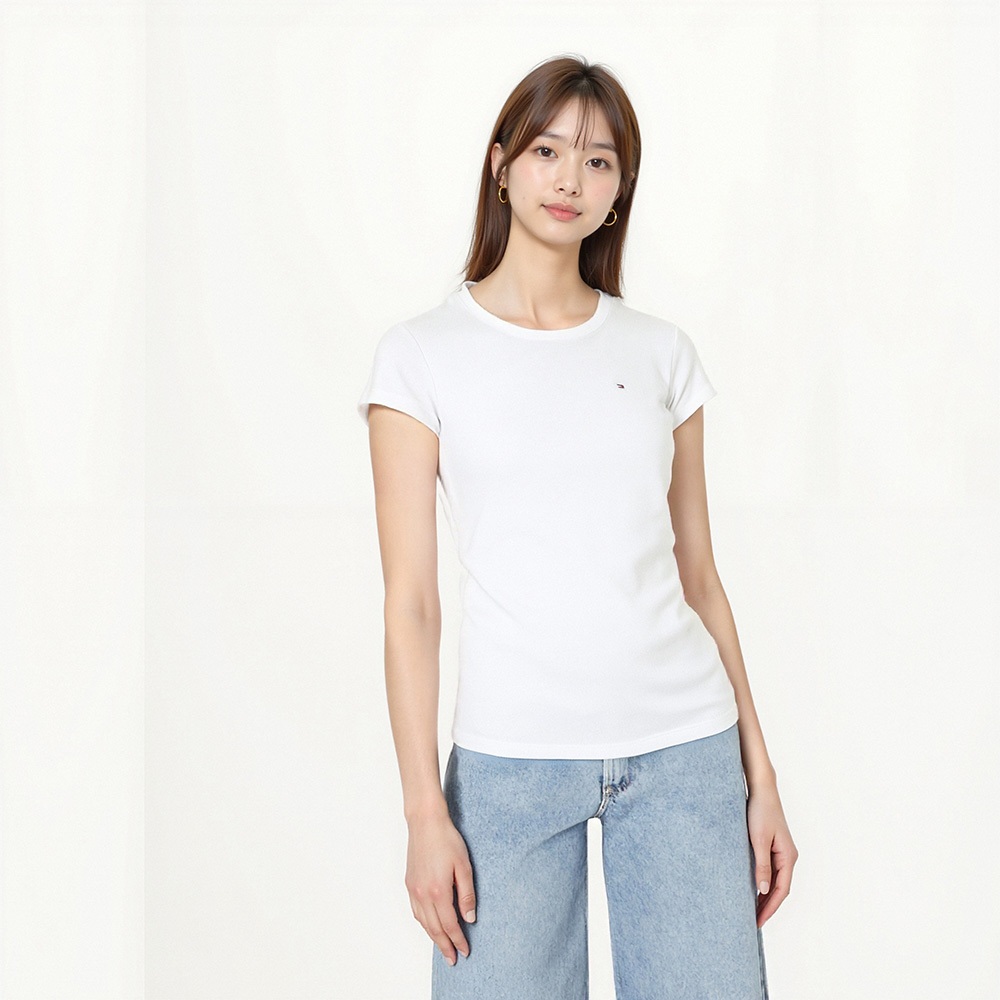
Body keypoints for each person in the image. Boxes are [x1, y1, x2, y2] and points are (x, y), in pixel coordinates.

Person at [357, 54, 798, 999]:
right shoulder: (420, 357)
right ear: (501, 164)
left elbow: (701, 580)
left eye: (599, 161)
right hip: (508, 769)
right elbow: (412, 606)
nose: (570, 179)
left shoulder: (661, 353)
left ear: (619, 190)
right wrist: (424, 812)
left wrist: (760, 778)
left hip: (685, 754)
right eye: (548, 151)